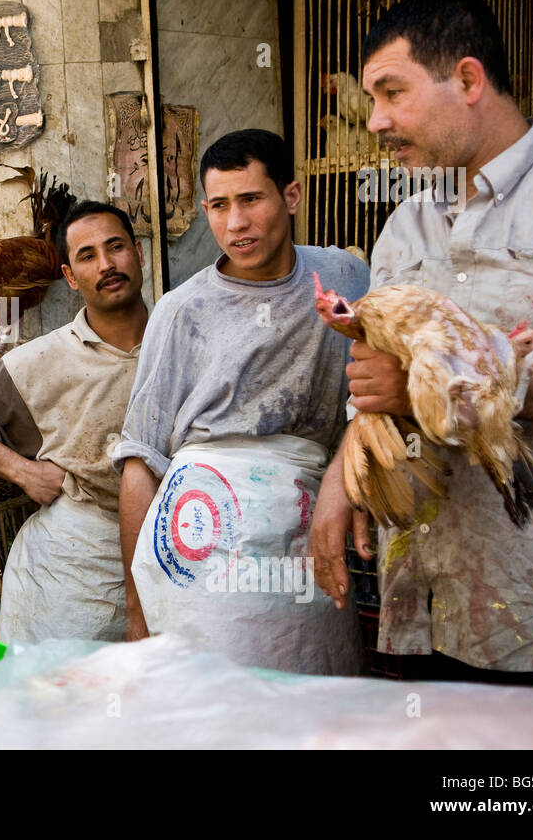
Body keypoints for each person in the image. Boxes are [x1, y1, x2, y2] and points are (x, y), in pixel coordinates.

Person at [309, 0, 533, 680]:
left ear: (469, 79)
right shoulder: (404, 226)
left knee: (520, 794)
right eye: (371, 101)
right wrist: (339, 480)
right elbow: (376, 394)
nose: (377, 121)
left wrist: (452, 386)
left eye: (393, 93)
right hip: (425, 608)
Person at [113, 129, 368, 674]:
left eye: (251, 199)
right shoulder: (183, 311)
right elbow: (140, 461)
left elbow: (376, 395)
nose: (235, 224)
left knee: (313, 705)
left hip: (307, 532)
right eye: (219, 206)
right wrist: (138, 614)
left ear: (291, 197)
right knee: (213, 708)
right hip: (199, 538)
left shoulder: (345, 278)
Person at [0, 201, 149, 643]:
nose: (105, 265)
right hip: (77, 565)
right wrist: (23, 471)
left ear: (139, 253)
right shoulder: (43, 357)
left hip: (176, 540)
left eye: (115, 247)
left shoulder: (179, 335)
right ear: (69, 277)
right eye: (87, 256)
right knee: (57, 696)